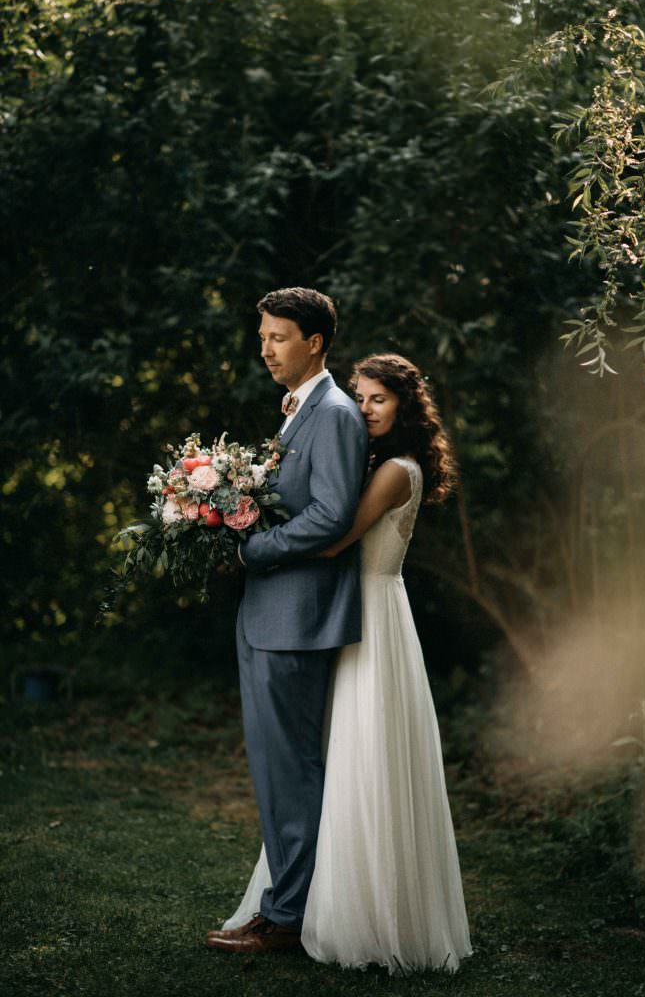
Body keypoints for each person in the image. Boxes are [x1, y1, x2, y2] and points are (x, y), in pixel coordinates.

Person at [212, 352, 472, 973]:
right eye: (360, 397)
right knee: (339, 763)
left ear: (405, 407)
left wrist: (246, 543)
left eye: (378, 400)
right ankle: (321, 901)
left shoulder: (395, 472)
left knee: (364, 763)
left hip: (374, 621)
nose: (364, 409)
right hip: (356, 614)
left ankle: (360, 916)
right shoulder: (377, 460)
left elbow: (332, 536)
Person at [205, 287, 368, 954]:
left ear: (316, 342)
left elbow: (331, 515)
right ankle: (280, 904)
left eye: (278, 337)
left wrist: (254, 548)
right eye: (264, 335)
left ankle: (289, 918)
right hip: (270, 616)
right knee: (275, 771)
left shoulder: (331, 413)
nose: (266, 348)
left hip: (295, 617)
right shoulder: (299, 411)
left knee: (291, 770)